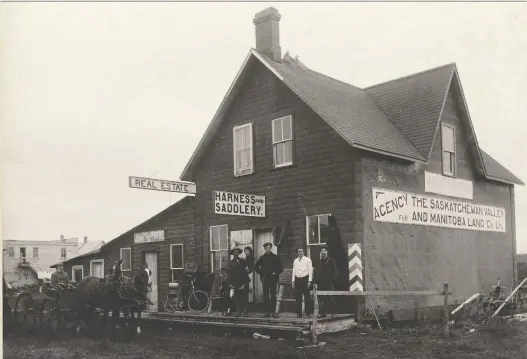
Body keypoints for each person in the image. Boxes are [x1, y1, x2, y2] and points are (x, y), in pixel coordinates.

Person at [254, 242, 283, 318]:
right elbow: (256, 267)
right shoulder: (262, 257)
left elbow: (281, 268)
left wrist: (276, 272)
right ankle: (266, 312)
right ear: (264, 249)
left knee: (273, 295)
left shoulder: (276, 257)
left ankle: (273, 312)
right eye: (266, 248)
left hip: (273, 278)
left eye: (269, 247)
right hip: (265, 278)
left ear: (271, 248)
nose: (268, 249)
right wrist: (261, 273)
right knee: (265, 295)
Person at [313, 244, 338, 318]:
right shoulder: (319, 262)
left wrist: (332, 280)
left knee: (331, 297)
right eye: (322, 251)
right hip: (321, 283)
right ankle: (323, 313)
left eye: (324, 251)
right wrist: (316, 281)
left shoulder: (331, 261)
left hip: (329, 283)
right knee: (322, 299)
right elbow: (316, 272)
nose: (323, 252)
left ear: (327, 252)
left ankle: (333, 313)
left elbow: (335, 272)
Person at [226, 248, 249, 317]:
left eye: (237, 252)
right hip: (235, 282)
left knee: (244, 296)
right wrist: (230, 283)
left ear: (239, 253)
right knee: (236, 297)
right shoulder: (230, 263)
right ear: (232, 254)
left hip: (243, 281)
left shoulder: (243, 261)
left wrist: (244, 283)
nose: (236, 253)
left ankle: (245, 311)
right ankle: (238, 310)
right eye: (234, 252)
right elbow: (229, 274)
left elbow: (246, 272)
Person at [292, 247, 313, 318]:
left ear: (303, 252)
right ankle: (299, 314)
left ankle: (307, 313)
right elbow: (294, 271)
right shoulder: (295, 260)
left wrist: (309, 281)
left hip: (305, 279)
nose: (300, 253)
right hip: (297, 280)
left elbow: (310, 271)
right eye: (298, 251)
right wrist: (293, 281)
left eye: (301, 251)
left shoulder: (308, 260)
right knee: (298, 298)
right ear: (297, 253)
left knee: (307, 297)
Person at [242, 246, 255, 316]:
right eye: (245, 251)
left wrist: (247, 269)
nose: (246, 252)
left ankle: (245, 311)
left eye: (247, 251)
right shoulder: (243, 258)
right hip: (241, 278)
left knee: (245, 294)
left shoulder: (251, 258)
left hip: (245, 278)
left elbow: (250, 269)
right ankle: (241, 310)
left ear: (250, 251)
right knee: (241, 294)